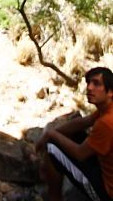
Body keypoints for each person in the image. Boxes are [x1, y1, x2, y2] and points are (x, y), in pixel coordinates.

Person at [36, 66, 113, 201]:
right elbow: (84, 122)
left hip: (106, 193)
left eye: (96, 83)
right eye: (88, 83)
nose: (89, 88)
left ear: (110, 92)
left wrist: (51, 135)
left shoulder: (106, 122)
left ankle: (54, 198)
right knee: (71, 134)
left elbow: (80, 153)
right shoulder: (107, 109)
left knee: (52, 148)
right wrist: (52, 132)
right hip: (105, 171)